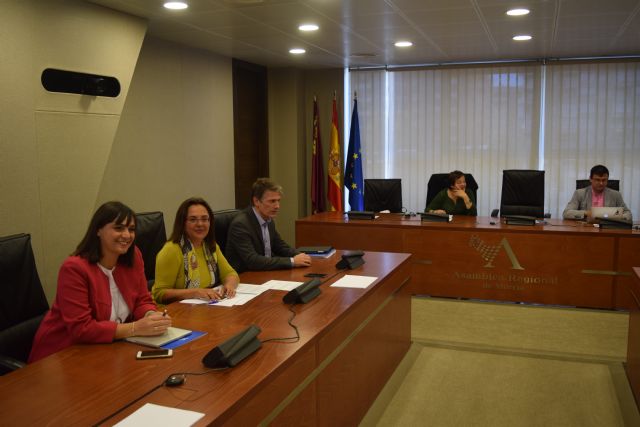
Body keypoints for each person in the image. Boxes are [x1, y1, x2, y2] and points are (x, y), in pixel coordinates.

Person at [29, 202, 171, 363]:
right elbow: (81, 329)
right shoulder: (74, 268)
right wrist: (134, 328)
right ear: (98, 230)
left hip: (107, 350)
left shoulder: (133, 256)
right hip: (62, 356)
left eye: (131, 229)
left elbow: (141, 300)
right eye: (119, 228)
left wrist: (151, 317)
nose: (127, 235)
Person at [152, 197, 240, 304]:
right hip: (177, 312)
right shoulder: (171, 250)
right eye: (193, 219)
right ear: (182, 223)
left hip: (206, 306)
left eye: (204, 219)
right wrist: (195, 292)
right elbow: (159, 293)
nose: (200, 224)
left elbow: (230, 273)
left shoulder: (210, 246)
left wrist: (229, 286)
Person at [225, 178, 311, 273]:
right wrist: (292, 261)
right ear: (256, 201)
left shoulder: (268, 219)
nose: (277, 206)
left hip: (264, 272)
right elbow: (252, 260)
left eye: (278, 201)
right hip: (245, 277)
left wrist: (302, 256)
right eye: (272, 201)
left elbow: (280, 247)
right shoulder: (241, 224)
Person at [563, 164, 632, 221]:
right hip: (586, 229)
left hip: (607, 229)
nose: (601, 183)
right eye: (597, 180)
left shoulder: (616, 195)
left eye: (604, 180)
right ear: (590, 179)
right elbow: (566, 213)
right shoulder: (580, 193)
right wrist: (586, 213)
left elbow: (628, 214)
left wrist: (616, 217)